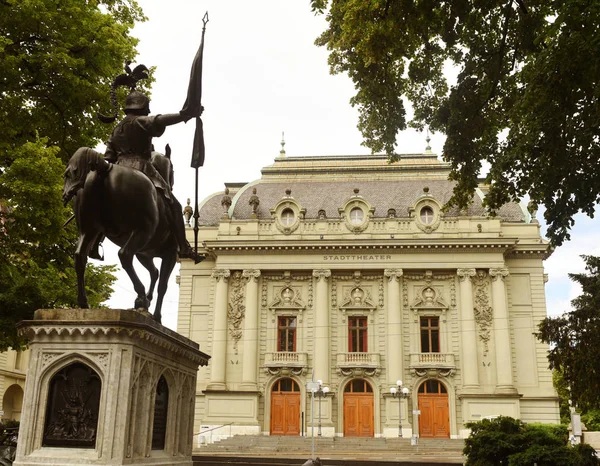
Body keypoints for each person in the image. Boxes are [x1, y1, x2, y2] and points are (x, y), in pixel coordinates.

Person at [89, 90, 201, 261]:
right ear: (141, 107)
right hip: (142, 168)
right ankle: (183, 247)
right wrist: (184, 114)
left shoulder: (116, 128)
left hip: (116, 168)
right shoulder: (141, 121)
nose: (148, 112)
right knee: (175, 206)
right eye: (146, 109)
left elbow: (109, 157)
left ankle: (95, 240)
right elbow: (160, 119)